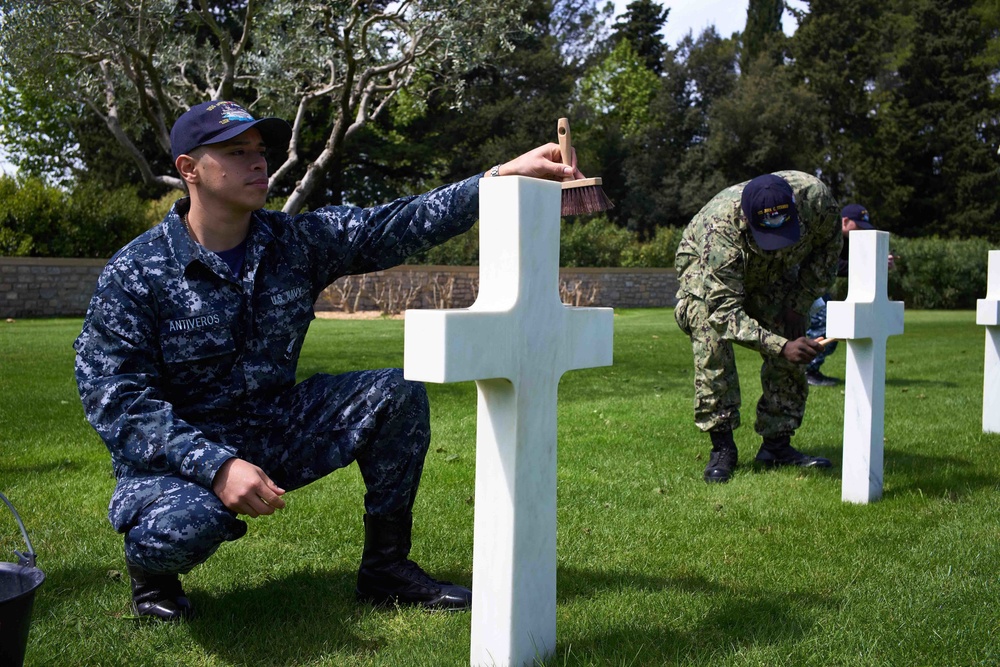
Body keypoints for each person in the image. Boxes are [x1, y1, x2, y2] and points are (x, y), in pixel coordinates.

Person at [73, 100, 584, 621]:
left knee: (395, 393)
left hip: (274, 426)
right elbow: (113, 396)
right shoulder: (139, 271)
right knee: (186, 525)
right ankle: (151, 579)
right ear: (189, 170)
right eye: (236, 152)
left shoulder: (293, 243)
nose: (257, 163)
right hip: (179, 457)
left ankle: (385, 568)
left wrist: (496, 179)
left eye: (259, 151)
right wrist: (216, 465)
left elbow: (396, 224)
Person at [673, 171, 842, 483]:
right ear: (748, 220)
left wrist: (798, 304)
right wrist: (779, 346)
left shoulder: (816, 200)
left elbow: (828, 250)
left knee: (794, 332)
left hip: (773, 274)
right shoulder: (721, 229)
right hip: (707, 271)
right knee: (709, 332)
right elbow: (724, 313)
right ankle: (722, 446)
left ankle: (777, 445)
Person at [805, 203, 892, 386]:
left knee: (834, 326)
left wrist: (880, 259)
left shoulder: (848, 241)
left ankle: (808, 370)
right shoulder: (828, 236)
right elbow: (833, 266)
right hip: (806, 288)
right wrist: (872, 264)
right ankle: (806, 370)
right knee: (828, 324)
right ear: (845, 221)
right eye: (858, 226)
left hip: (819, 290)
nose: (861, 231)